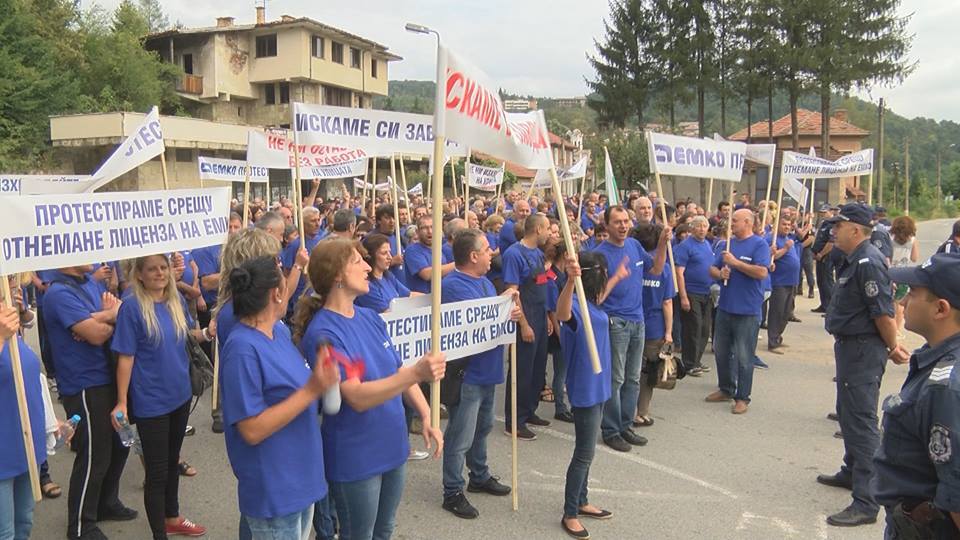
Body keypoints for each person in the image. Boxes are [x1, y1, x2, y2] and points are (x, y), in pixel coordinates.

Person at [293, 238, 445, 540]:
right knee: (358, 534)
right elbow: (357, 397)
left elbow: (397, 369)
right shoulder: (324, 333)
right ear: (337, 275)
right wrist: (418, 372)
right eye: (357, 261)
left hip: (392, 445)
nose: (367, 266)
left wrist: (426, 414)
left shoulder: (369, 317)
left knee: (384, 530)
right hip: (356, 455)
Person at [220, 256, 339, 540]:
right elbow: (251, 429)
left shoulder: (279, 333)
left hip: (300, 478)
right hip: (275, 487)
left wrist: (322, 383)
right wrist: (311, 389)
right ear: (276, 293)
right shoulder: (242, 348)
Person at [110, 255, 210, 539]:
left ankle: (173, 516)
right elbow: (125, 358)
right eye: (152, 269)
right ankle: (159, 534)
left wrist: (206, 331)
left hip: (180, 396)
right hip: (151, 402)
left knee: (172, 462)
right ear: (139, 274)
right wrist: (121, 401)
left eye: (163, 267)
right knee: (156, 473)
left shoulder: (175, 298)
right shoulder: (131, 307)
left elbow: (188, 335)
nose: (160, 273)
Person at [817, 203, 901, 527]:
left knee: (862, 421)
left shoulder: (868, 261)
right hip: (852, 348)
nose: (833, 230)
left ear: (855, 230)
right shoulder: (855, 260)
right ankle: (852, 471)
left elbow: (882, 311)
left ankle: (866, 501)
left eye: (839, 226)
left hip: (863, 349)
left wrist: (893, 345)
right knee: (849, 413)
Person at [43, 263, 137, 540]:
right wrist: (110, 316)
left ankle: (107, 502)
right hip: (84, 384)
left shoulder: (91, 282)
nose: (94, 259)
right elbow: (96, 334)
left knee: (123, 442)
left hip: (109, 378)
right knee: (95, 454)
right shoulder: (58, 293)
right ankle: (81, 525)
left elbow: (119, 315)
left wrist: (103, 316)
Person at [873, 254, 960, 539]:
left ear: (941, 309)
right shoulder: (935, 359)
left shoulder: (946, 386)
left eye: (912, 293)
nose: (902, 302)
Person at [439, 229, 520, 519]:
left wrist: (509, 311)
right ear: (473, 256)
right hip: (467, 375)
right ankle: (452, 490)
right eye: (487, 249)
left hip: (488, 371)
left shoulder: (485, 283)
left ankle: (479, 475)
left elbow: (492, 317)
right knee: (460, 435)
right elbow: (472, 322)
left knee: (482, 428)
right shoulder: (453, 286)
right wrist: (501, 305)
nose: (492, 253)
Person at [592, 205, 668, 451]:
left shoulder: (634, 246)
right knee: (616, 379)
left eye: (626, 221)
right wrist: (616, 277)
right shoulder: (599, 255)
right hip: (616, 323)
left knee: (633, 378)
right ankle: (611, 430)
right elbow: (597, 298)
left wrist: (663, 244)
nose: (623, 226)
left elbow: (655, 269)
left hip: (638, 320)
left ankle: (626, 425)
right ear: (607, 225)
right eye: (617, 222)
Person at [556, 251, 614, 540]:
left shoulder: (592, 304)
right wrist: (569, 281)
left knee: (588, 453)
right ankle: (570, 512)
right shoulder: (576, 305)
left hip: (600, 385)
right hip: (585, 388)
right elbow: (562, 314)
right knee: (584, 453)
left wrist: (619, 277)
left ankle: (582, 499)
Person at [705, 209, 770, 414]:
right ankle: (726, 388)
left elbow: (761, 272)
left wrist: (736, 264)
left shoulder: (759, 244)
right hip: (725, 307)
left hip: (748, 310)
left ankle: (742, 397)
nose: (731, 223)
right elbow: (712, 269)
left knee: (744, 356)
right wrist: (720, 272)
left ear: (748, 223)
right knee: (721, 351)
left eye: (735, 220)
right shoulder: (727, 244)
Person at [502, 213, 553, 440]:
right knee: (521, 370)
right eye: (549, 229)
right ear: (539, 229)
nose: (551, 233)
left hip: (541, 315)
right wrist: (523, 324)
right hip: (526, 315)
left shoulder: (539, 254)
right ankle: (514, 420)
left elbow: (542, 283)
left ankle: (529, 410)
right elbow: (513, 292)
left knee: (537, 368)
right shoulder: (514, 254)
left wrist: (549, 318)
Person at [0, 305, 45, 540]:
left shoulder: (13, 331)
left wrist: (49, 421)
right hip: (2, 451)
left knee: (24, 522)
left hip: (27, 444)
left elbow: (30, 379)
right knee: (4, 532)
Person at [634, 222, 674, 427]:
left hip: (633, 319)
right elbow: (667, 301)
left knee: (628, 369)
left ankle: (626, 409)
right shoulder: (664, 268)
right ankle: (642, 412)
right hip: (654, 325)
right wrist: (669, 332)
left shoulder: (635, 262)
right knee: (648, 372)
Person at [673, 215, 713, 375]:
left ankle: (697, 360)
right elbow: (679, 272)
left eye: (705, 226)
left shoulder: (707, 245)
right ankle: (689, 363)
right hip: (691, 292)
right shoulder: (685, 246)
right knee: (693, 328)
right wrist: (683, 296)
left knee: (704, 328)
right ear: (692, 228)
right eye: (699, 226)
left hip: (706, 292)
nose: (702, 229)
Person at [766, 217, 800, 354]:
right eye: (783, 224)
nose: (787, 227)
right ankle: (772, 341)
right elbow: (770, 257)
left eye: (788, 225)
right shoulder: (771, 239)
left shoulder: (789, 239)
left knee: (786, 313)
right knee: (777, 311)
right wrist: (785, 249)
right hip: (779, 281)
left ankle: (778, 336)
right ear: (776, 226)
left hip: (792, 281)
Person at [356, 234, 414, 314]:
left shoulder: (388, 276)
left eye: (389, 252)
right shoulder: (367, 286)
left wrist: (432, 299)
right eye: (384, 253)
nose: (390, 257)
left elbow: (409, 295)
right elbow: (388, 314)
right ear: (371, 256)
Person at [404, 215, 455, 294]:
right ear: (417, 232)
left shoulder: (438, 249)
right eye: (424, 228)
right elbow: (426, 274)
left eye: (432, 227)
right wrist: (456, 265)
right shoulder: (412, 250)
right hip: (421, 300)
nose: (429, 231)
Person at [890, 215, 920, 336]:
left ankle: (890, 329)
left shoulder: (890, 238)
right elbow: (914, 258)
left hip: (890, 273)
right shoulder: (912, 240)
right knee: (900, 304)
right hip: (904, 275)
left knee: (890, 303)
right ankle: (897, 329)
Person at [812, 205, 838, 313]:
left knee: (827, 282)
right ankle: (824, 304)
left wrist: (821, 254)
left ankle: (830, 307)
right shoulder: (823, 223)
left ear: (830, 212)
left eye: (825, 212)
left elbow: (831, 243)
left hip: (826, 257)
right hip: (819, 256)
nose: (822, 214)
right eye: (821, 212)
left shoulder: (832, 225)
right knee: (821, 281)